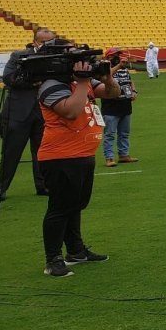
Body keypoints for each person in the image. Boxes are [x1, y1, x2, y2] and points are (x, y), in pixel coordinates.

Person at [37, 40, 121, 277]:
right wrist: (83, 81)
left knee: (76, 205)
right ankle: (52, 259)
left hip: (82, 154)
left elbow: (114, 94)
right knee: (60, 208)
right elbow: (71, 111)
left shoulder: (77, 82)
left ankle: (75, 251)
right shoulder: (51, 85)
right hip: (60, 156)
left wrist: (106, 78)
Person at [0, 27, 55, 202]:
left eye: (50, 42)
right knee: (11, 153)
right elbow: (8, 78)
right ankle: (1, 188)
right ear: (35, 41)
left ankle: (42, 186)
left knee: (42, 153)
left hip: (44, 112)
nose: (46, 46)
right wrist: (34, 82)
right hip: (18, 112)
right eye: (43, 42)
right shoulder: (18, 56)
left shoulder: (56, 58)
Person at [100, 47, 138, 168]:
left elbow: (129, 81)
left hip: (125, 104)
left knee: (124, 133)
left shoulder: (124, 68)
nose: (117, 57)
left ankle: (124, 155)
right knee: (110, 134)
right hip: (111, 106)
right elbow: (106, 77)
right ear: (108, 57)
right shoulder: (104, 68)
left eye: (118, 54)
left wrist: (134, 91)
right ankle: (109, 157)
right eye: (115, 55)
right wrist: (118, 66)